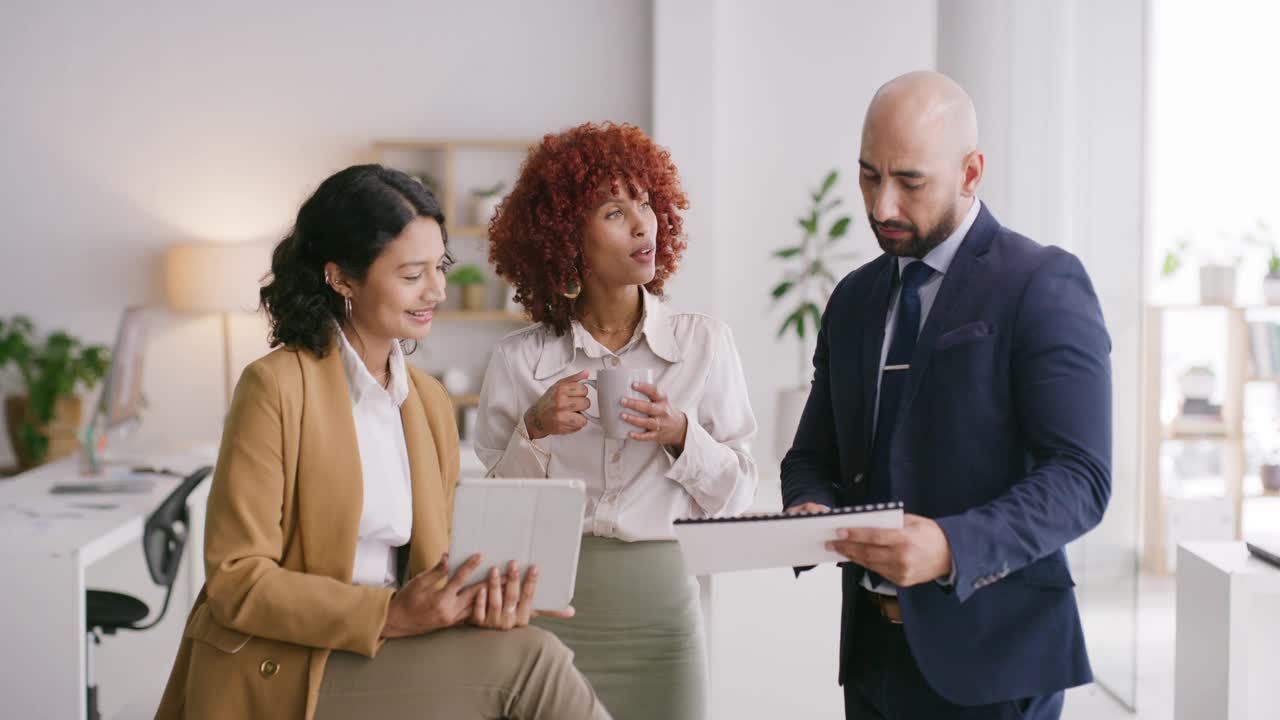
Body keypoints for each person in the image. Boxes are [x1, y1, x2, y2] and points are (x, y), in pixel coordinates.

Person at [156, 164, 610, 720]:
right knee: (534, 668)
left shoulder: (429, 401)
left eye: (439, 267)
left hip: (393, 645)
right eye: (411, 273)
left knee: (534, 652)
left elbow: (432, 564)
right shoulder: (274, 387)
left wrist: (472, 601)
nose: (437, 290)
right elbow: (236, 579)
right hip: (293, 659)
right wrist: (389, 614)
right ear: (342, 278)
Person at [781, 71, 1112, 720]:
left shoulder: (1043, 283)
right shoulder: (851, 300)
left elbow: (1080, 478)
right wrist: (809, 508)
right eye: (869, 175)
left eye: (909, 181)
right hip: (871, 658)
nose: (881, 207)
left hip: (996, 661)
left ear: (971, 173)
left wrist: (952, 547)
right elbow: (811, 455)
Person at [476, 122, 759, 720]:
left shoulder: (704, 344)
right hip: (553, 612)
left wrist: (684, 436)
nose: (643, 223)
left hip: (662, 617)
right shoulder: (519, 359)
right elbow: (499, 513)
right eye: (614, 210)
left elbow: (738, 497)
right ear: (563, 236)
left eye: (647, 202)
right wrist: (535, 428)